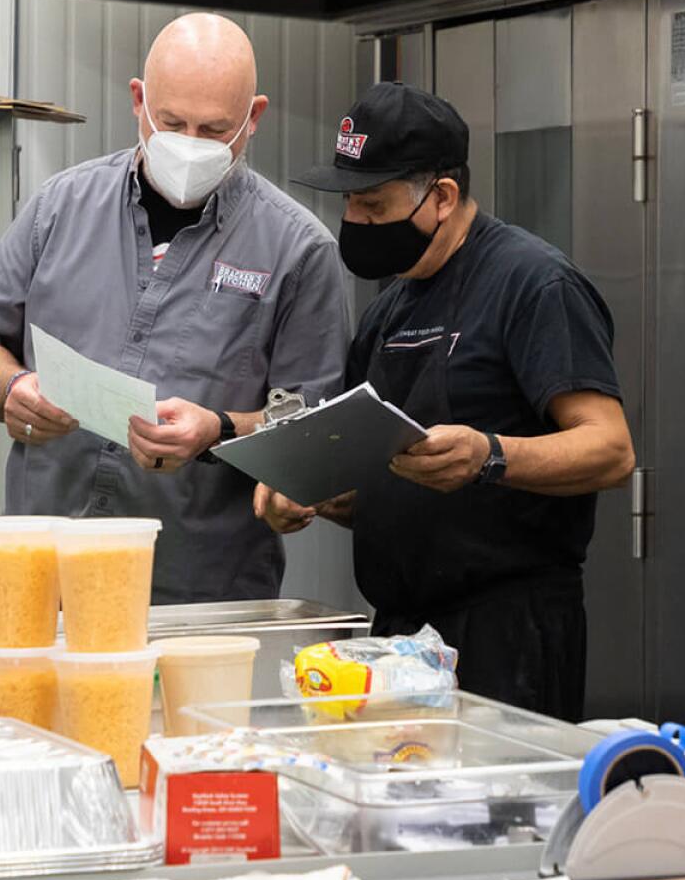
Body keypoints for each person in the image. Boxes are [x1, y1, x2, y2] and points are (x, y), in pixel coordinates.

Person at [255, 82, 634, 719]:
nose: (357, 224)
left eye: (374, 205)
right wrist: (311, 493)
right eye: (350, 204)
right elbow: (379, 481)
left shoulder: (533, 283)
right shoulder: (389, 309)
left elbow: (611, 448)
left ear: (443, 196)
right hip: (401, 639)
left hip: (509, 636)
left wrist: (490, 456)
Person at [0, 13, 349, 602]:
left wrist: (219, 431)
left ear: (253, 118)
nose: (189, 145)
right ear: (138, 101)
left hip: (197, 595)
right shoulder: (60, 207)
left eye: (213, 129)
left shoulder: (299, 250)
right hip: (42, 580)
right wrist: (13, 389)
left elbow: (315, 425)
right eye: (172, 122)